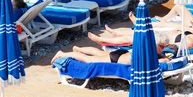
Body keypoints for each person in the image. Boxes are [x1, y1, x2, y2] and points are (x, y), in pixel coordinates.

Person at [51, 32, 179, 66]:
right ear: (155, 44)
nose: (163, 49)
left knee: (99, 53)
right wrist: (161, 60)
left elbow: (158, 57)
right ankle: (63, 53)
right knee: (89, 60)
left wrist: (163, 57)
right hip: (116, 59)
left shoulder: (151, 50)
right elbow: (149, 63)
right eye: (161, 46)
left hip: (121, 55)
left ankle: (78, 48)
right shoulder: (146, 53)